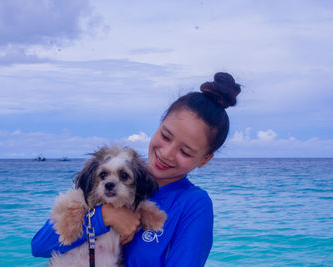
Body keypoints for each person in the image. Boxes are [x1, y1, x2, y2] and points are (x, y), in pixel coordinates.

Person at [31, 72, 241, 266]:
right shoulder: (105, 187)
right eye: (165, 136)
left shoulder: (193, 204)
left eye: (185, 152)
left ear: (204, 160)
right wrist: (105, 216)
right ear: (159, 125)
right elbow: (40, 247)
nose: (167, 153)